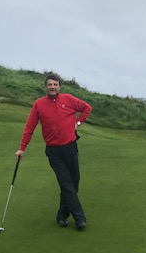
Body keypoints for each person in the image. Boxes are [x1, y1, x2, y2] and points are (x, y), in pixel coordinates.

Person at [15, 74, 92, 231]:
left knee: (73, 183)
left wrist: (78, 122)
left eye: (55, 84)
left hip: (70, 147)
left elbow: (87, 108)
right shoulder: (39, 104)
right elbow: (29, 127)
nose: (52, 87)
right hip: (53, 151)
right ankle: (80, 219)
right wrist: (22, 148)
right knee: (66, 184)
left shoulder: (68, 99)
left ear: (59, 86)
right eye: (49, 84)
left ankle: (62, 215)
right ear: (46, 87)